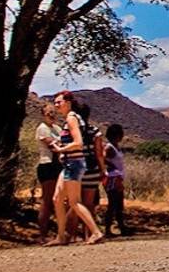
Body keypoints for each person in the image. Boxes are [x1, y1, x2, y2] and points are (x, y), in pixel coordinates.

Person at [48, 91, 102, 246]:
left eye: (59, 102)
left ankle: (96, 232)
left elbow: (78, 143)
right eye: (55, 102)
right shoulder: (71, 119)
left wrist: (61, 150)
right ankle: (61, 236)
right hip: (70, 163)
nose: (56, 105)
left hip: (74, 163)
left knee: (74, 202)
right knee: (57, 199)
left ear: (68, 102)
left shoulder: (71, 119)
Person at [73, 99, 107, 238]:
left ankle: (72, 235)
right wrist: (102, 170)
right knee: (89, 203)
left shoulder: (71, 131)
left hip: (75, 168)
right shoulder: (94, 131)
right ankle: (89, 234)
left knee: (74, 203)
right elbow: (99, 154)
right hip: (91, 169)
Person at [34, 102, 62, 240]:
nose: (52, 115)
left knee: (59, 199)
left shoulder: (57, 128)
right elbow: (53, 145)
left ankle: (60, 232)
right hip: (47, 165)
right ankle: (42, 234)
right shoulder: (42, 128)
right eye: (48, 112)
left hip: (59, 165)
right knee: (47, 199)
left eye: (53, 112)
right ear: (43, 114)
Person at [102, 124, 127, 237]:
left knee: (119, 204)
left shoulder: (116, 146)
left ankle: (122, 227)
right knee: (113, 204)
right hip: (112, 177)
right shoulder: (109, 148)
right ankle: (107, 229)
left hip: (117, 177)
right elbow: (102, 159)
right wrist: (111, 167)